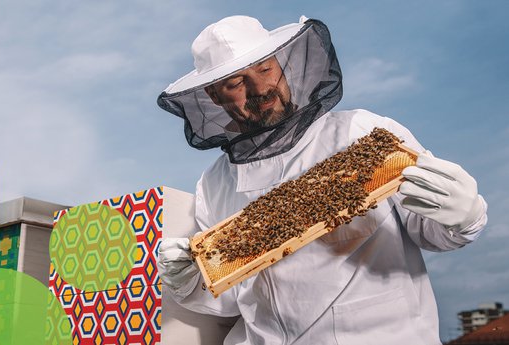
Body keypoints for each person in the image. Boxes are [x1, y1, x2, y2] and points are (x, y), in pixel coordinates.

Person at [156, 15, 488, 345]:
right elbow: (231, 299)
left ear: (281, 63)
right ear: (214, 95)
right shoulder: (215, 183)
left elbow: (432, 232)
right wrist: (192, 282)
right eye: (236, 82)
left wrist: (463, 215)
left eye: (265, 69)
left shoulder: (361, 132)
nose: (260, 88)